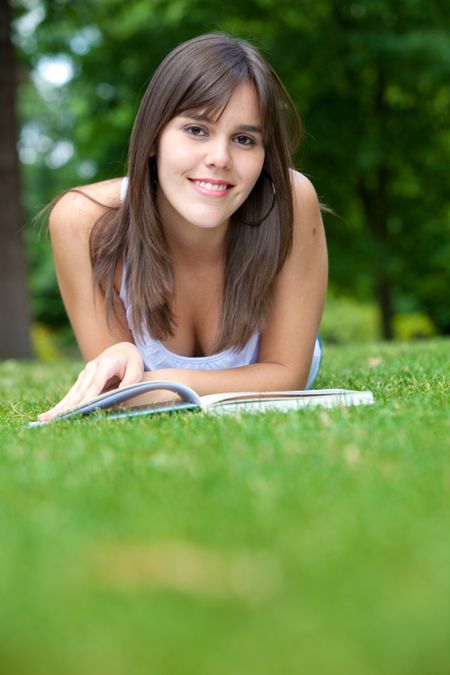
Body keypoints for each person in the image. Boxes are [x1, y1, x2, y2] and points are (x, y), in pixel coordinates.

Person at [37, 33, 328, 422]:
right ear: (154, 136)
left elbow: (286, 376)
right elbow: (116, 392)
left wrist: (160, 380)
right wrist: (122, 359)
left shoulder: (290, 201)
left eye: (244, 139)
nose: (219, 158)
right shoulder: (83, 220)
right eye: (197, 130)